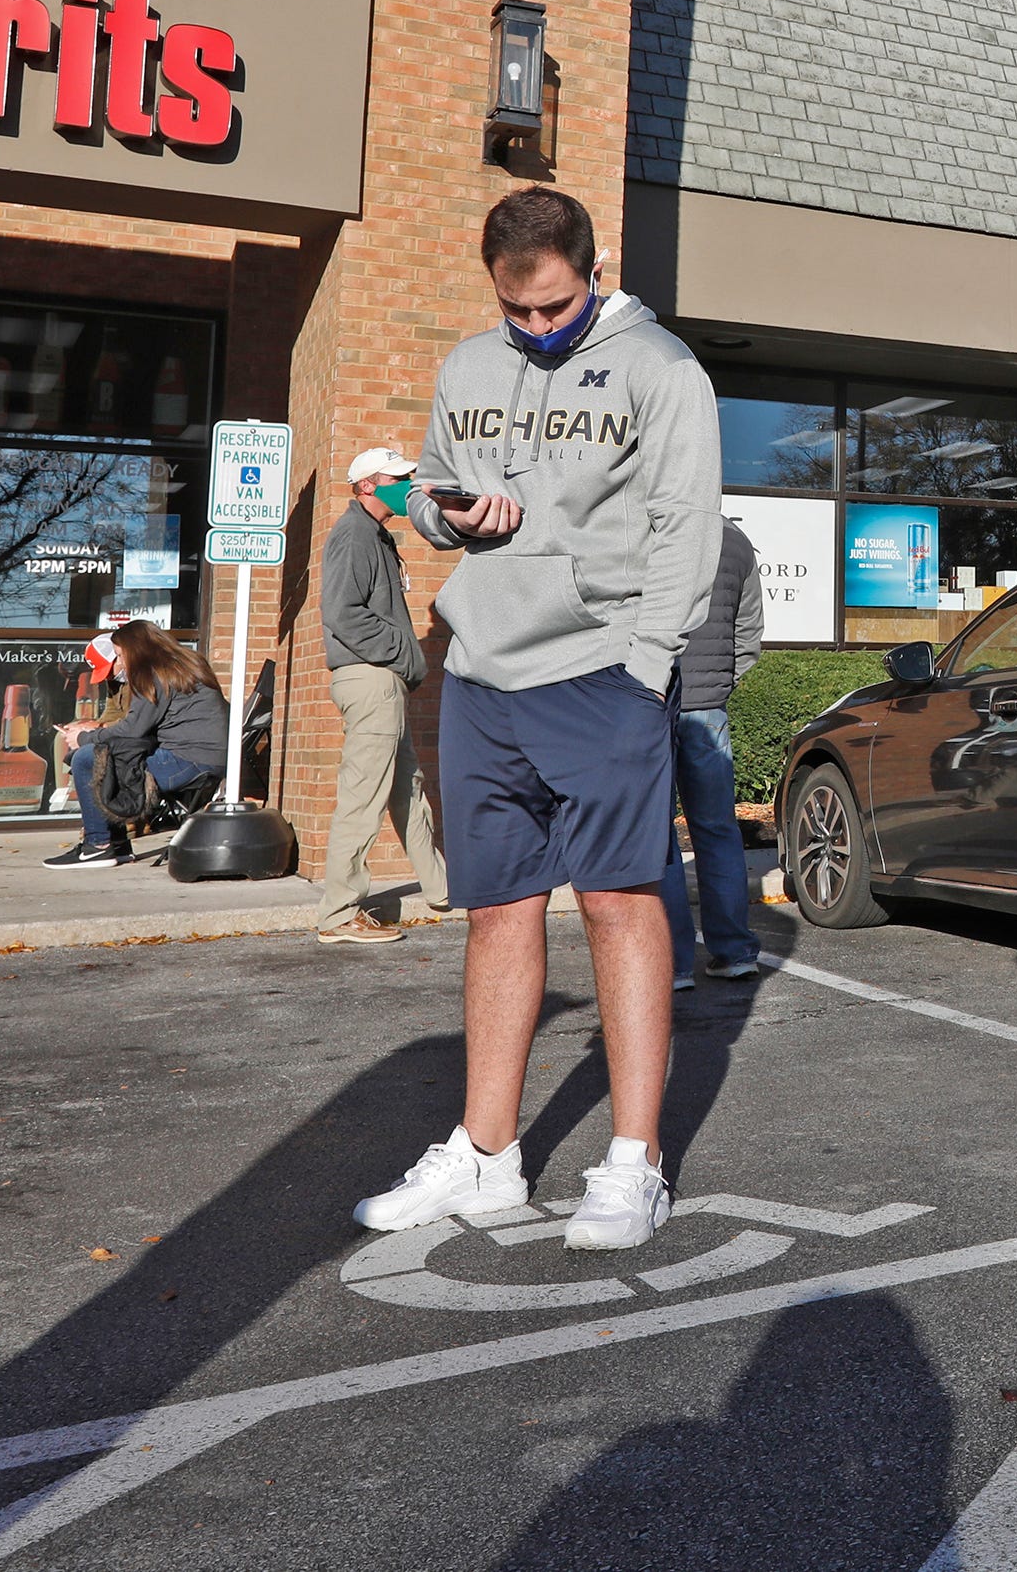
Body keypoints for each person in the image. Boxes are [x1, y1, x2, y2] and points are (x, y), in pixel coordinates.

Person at [354, 186, 723, 1252]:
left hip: (600, 670)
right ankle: (486, 1153)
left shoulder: (662, 369)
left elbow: (684, 528)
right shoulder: (469, 365)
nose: (538, 330)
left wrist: (646, 670)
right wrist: (449, 512)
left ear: (593, 269)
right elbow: (425, 494)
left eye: (556, 308)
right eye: (519, 313)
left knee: (618, 904)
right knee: (498, 911)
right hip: (480, 672)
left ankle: (634, 1160)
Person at [313, 445, 451, 945]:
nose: (407, 483)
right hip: (370, 678)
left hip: (382, 680)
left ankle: (440, 888)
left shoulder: (376, 535)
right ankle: (337, 915)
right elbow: (343, 614)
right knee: (362, 798)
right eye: (396, 477)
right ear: (366, 484)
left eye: (408, 475)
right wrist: (404, 651)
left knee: (406, 789)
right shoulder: (353, 534)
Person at [658, 514, 764, 986]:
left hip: (649, 703)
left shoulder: (647, 526)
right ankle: (735, 950)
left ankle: (673, 962)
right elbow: (749, 635)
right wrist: (720, 687)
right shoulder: (737, 542)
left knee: (656, 837)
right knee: (718, 831)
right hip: (708, 711)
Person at [43, 621, 228, 872]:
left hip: (187, 761)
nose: (121, 663)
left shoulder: (155, 675)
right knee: (104, 756)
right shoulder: (186, 665)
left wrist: (84, 738)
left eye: (120, 655)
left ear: (135, 649)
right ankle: (118, 845)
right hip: (207, 759)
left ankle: (97, 846)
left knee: (86, 758)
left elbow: (134, 730)